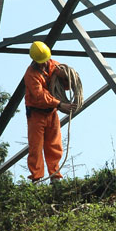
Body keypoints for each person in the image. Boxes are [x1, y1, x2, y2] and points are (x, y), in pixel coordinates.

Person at [24, 41, 77, 182]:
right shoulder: (31, 74)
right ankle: (36, 178)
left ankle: (55, 177)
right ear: (34, 60)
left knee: (54, 145)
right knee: (36, 148)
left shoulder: (54, 65)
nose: (43, 64)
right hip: (36, 114)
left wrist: (65, 77)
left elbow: (63, 86)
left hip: (51, 112)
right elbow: (40, 96)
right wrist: (60, 104)